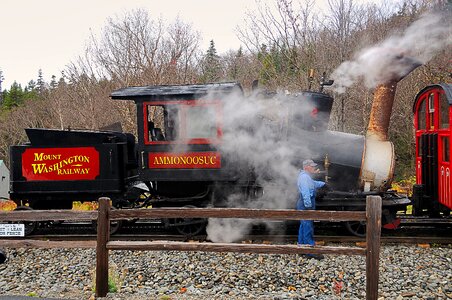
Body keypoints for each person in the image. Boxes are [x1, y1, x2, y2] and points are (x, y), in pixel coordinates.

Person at [297, 159, 325, 259]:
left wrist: (323, 184)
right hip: (306, 204)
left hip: (303, 204)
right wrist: (308, 206)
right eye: (312, 166)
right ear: (306, 167)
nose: (314, 168)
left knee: (303, 226)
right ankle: (310, 252)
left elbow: (313, 183)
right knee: (308, 226)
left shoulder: (305, 176)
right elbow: (305, 193)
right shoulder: (304, 177)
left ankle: (301, 248)